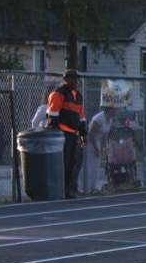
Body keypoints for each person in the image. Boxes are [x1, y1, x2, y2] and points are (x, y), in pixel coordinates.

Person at [47, 69, 88, 199]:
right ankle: (56, 190)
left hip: (72, 134)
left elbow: (81, 116)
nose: (75, 81)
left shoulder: (78, 96)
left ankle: (66, 190)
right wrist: (55, 133)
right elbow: (53, 114)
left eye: (76, 78)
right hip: (61, 134)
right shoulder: (59, 93)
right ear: (65, 80)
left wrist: (83, 133)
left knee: (71, 163)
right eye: (72, 78)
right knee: (61, 163)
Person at [83, 106, 120, 194]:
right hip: (88, 142)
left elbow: (104, 133)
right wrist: (95, 148)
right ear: (110, 110)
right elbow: (91, 133)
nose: (118, 111)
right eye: (116, 109)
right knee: (88, 166)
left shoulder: (110, 119)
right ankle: (85, 188)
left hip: (97, 142)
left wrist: (105, 148)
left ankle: (94, 188)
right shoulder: (99, 118)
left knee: (96, 166)